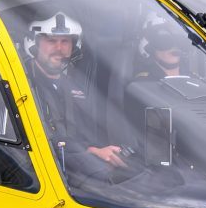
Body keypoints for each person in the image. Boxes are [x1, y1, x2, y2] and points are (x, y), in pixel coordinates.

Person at [26, 10, 132, 176]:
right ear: (35, 43)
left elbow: (86, 134)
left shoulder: (75, 87)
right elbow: (37, 144)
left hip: (74, 170)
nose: (59, 48)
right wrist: (90, 153)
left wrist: (104, 151)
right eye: (51, 41)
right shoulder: (23, 82)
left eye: (65, 41)